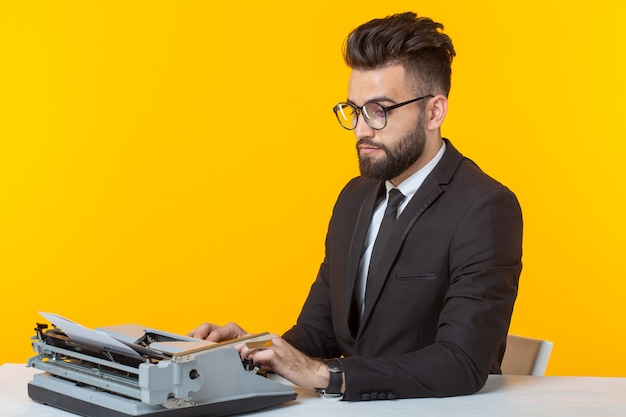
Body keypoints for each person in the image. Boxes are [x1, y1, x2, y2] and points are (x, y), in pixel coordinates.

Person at [189, 12, 522, 401]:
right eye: (355, 110)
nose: (362, 129)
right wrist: (254, 352)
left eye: (380, 111)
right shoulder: (354, 197)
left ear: (434, 112)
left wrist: (326, 374)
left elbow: (462, 362)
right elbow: (321, 331)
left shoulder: (485, 207)